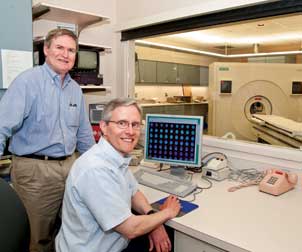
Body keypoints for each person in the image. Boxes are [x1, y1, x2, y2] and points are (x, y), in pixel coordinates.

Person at [0, 28, 95, 252]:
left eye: (71, 50)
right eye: (59, 47)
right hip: (35, 171)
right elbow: (1, 125)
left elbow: (84, 136)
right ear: (46, 50)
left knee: (70, 230)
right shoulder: (27, 82)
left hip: (71, 166)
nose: (65, 54)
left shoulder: (75, 90)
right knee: (37, 237)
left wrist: (101, 166)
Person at [56, 98, 181, 252]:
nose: (130, 131)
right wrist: (167, 213)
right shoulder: (95, 169)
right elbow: (131, 229)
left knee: (168, 237)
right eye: (122, 123)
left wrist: (152, 217)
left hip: (116, 243)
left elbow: (134, 192)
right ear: (104, 127)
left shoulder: (113, 156)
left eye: (135, 124)